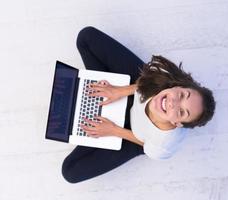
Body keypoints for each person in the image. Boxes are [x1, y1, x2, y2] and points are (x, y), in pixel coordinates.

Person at [61, 26, 216, 183]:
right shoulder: (168, 78)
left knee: (70, 171)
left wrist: (113, 130)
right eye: (183, 95)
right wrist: (118, 91)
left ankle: (97, 98)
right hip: (138, 90)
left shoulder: (164, 146)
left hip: (134, 136)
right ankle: (96, 91)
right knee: (86, 37)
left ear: (177, 123)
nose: (173, 103)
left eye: (182, 112)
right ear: (180, 85)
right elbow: (145, 82)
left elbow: (145, 145)